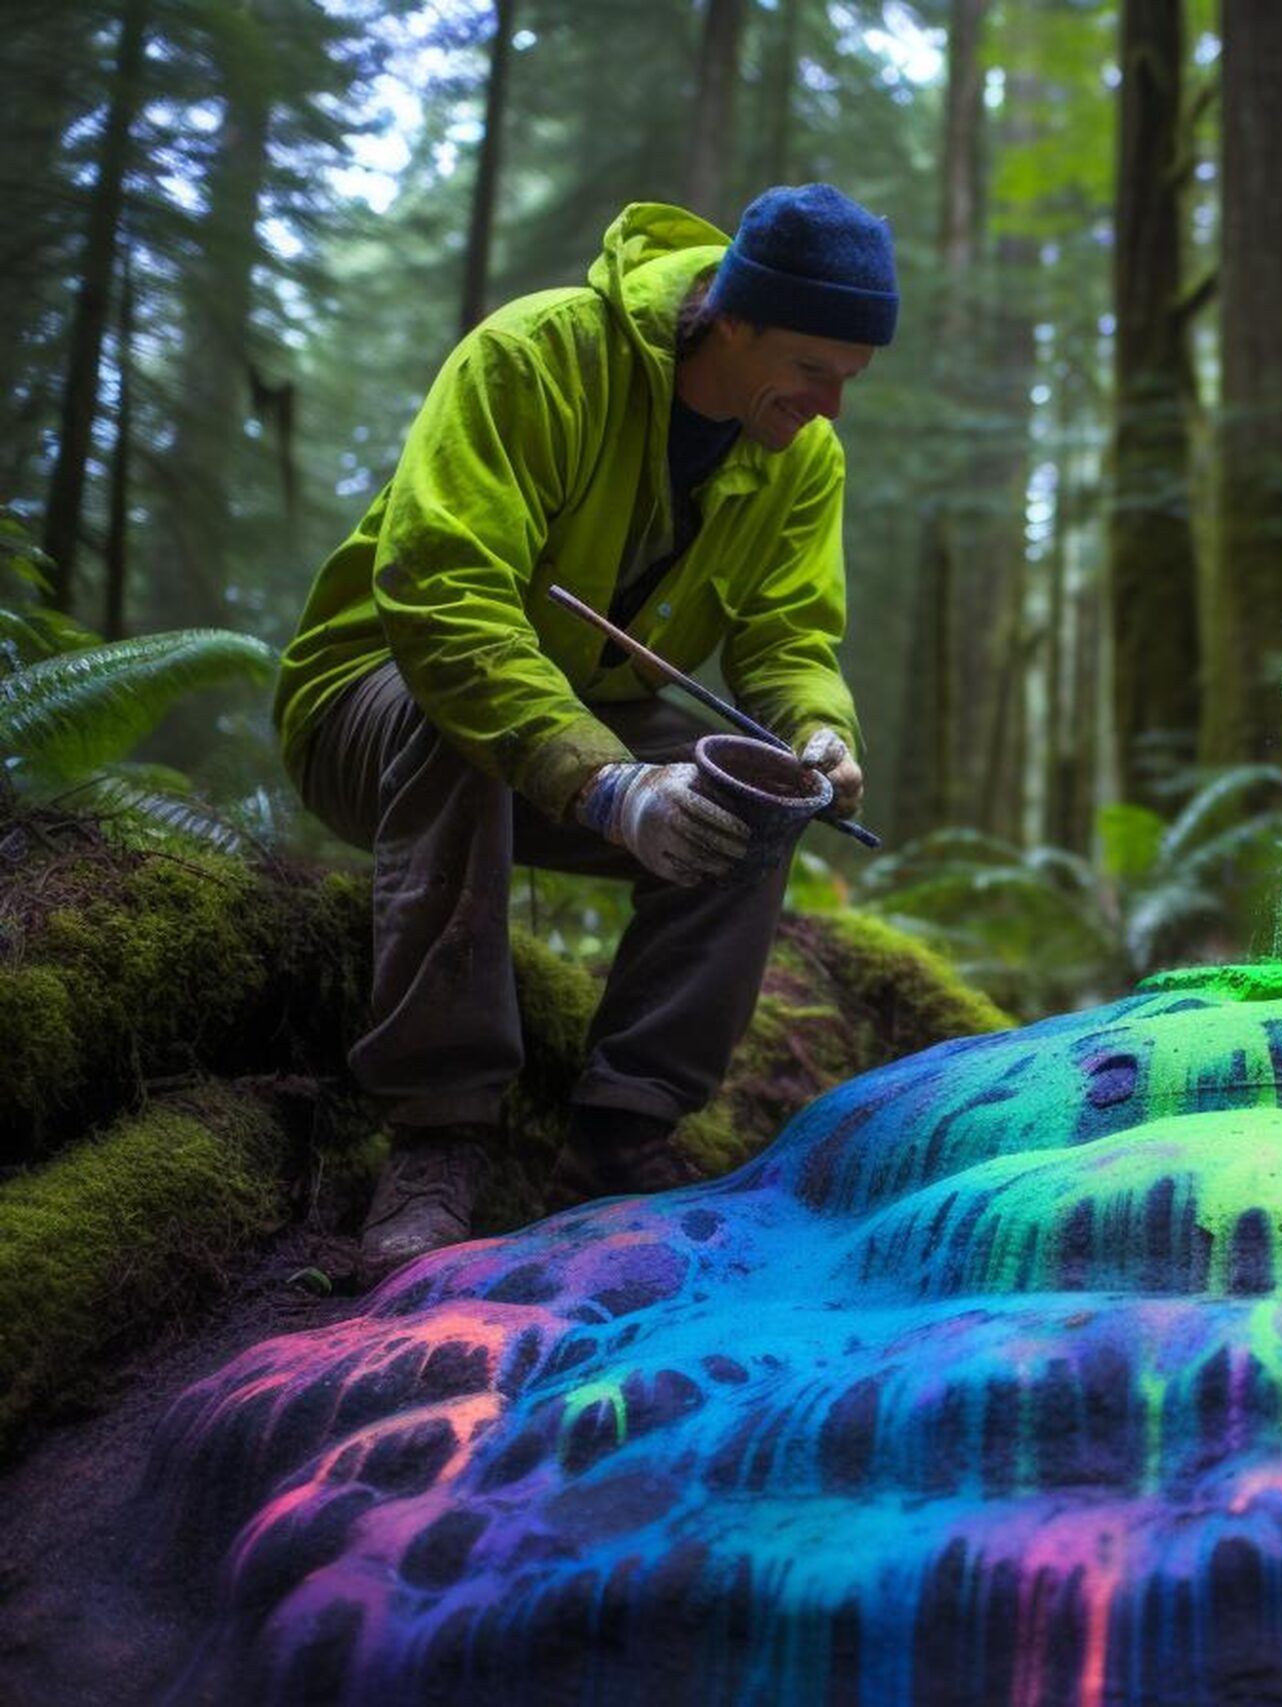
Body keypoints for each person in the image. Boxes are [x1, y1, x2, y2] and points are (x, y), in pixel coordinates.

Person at [274, 184, 893, 1281]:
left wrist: (813, 731)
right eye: (812, 371)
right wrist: (606, 785)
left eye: (850, 382)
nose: (832, 407)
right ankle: (438, 1136)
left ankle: (621, 1134)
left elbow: (790, 635)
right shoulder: (535, 357)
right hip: (373, 702)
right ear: (730, 317)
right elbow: (446, 600)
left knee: (761, 787)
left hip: (580, 720)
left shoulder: (803, 458)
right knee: (456, 710)